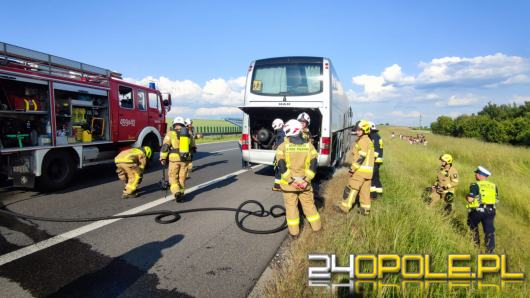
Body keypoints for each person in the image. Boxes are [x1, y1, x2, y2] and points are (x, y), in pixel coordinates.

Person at [276, 119, 321, 238]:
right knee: (309, 206)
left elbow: (281, 166)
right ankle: (317, 228)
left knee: (291, 208)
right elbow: (314, 165)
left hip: (289, 185)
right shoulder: (309, 146)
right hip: (305, 184)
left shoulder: (282, 147)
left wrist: (291, 181)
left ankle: (295, 233)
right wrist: (305, 180)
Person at [336, 120, 374, 215]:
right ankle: (365, 210)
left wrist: (352, 169)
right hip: (368, 173)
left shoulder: (363, 141)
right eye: (357, 130)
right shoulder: (368, 140)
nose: (357, 132)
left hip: (360, 171)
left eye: (359, 130)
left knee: (352, 189)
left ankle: (344, 208)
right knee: (365, 192)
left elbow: (361, 157)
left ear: (365, 130)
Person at [466, 166, 498, 253]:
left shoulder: (475, 185)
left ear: (480, 175)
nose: (475, 174)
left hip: (478, 211)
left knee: (473, 226)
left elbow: (470, 199)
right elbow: (496, 199)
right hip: (491, 211)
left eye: (476, 173)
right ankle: (490, 251)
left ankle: (475, 246)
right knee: (489, 231)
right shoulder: (494, 186)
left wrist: (467, 196)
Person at [160, 117, 192, 202]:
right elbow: (193, 147)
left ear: (174, 124)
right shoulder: (188, 132)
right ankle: (181, 193)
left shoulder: (170, 133)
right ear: (183, 124)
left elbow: (165, 146)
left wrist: (163, 157)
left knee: (173, 177)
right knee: (182, 177)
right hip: (185, 159)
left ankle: (176, 192)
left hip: (174, 159)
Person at [368, 121, 384, 200]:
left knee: (371, 178)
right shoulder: (376, 136)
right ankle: (379, 192)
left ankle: (373, 195)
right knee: (376, 177)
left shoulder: (374, 137)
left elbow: (376, 150)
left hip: (375, 161)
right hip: (377, 161)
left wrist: (371, 159)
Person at [271, 118, 285, 191]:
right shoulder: (284, 132)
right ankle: (278, 186)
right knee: (280, 170)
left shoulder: (281, 134)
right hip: (282, 155)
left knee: (278, 170)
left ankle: (278, 186)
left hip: (280, 155)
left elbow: (280, 144)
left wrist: (275, 146)